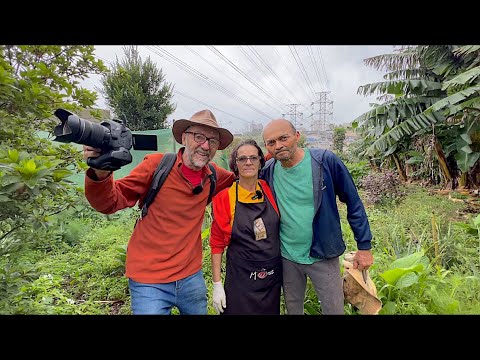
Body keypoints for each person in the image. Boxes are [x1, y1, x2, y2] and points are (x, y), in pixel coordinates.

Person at [83, 109, 235, 315]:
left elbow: (245, 173)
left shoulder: (215, 176)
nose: (206, 145)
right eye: (199, 137)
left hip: (191, 277)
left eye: (213, 141)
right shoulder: (157, 166)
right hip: (149, 280)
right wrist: (101, 171)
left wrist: (272, 161)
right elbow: (110, 202)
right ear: (184, 137)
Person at [261, 119, 373, 315]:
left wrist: (364, 246)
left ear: (297, 136)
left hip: (322, 254)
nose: (278, 145)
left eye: (283, 138)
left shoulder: (324, 162)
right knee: (293, 308)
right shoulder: (269, 170)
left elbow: (353, 202)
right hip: (287, 256)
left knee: (333, 309)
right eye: (271, 143)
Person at [209, 139, 282, 315]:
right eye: (242, 159)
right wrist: (217, 284)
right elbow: (217, 244)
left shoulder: (269, 189)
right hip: (241, 279)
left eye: (253, 158)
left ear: (260, 162)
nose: (248, 162)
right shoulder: (224, 198)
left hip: (271, 279)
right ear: (235, 164)